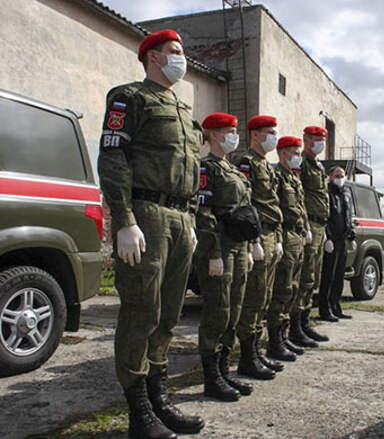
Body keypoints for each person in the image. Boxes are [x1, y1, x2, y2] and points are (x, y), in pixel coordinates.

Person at [98, 29, 204, 438]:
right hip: (146, 214)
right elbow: (113, 157)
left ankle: (159, 398)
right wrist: (123, 220)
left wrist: (192, 219)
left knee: (169, 314)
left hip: (179, 218)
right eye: (176, 52)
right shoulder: (130, 97)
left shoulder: (181, 109)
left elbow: (191, 172)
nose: (183, 59)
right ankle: (138, 411)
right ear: (153, 57)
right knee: (141, 312)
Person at [195, 112, 255, 402]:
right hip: (219, 245)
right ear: (215, 135)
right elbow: (204, 213)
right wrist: (213, 252)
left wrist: (250, 246)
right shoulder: (207, 168)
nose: (235, 135)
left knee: (234, 309)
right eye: (230, 131)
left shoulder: (230, 168)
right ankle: (211, 378)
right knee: (218, 311)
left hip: (239, 246)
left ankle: (224, 369)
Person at [235, 115, 284, 379]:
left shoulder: (267, 166)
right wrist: (253, 241)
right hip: (256, 236)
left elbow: (273, 206)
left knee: (264, 297)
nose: (273, 138)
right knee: (252, 299)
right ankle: (247, 358)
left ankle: (256, 352)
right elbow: (246, 203)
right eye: (270, 133)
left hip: (270, 236)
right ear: (255, 134)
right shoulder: (246, 163)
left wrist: (276, 238)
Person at [266, 136, 309, 361]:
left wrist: (306, 230)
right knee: (282, 289)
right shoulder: (278, 176)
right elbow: (275, 209)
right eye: (295, 152)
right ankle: (275, 341)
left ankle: (284, 336)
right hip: (285, 233)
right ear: (283, 153)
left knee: (292, 287)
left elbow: (301, 208)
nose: (298, 157)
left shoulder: (294, 178)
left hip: (298, 235)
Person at [293, 126, 331, 345]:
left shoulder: (318, 166)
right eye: (316, 139)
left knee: (313, 279)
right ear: (306, 140)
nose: (320, 143)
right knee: (304, 277)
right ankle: (296, 327)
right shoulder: (302, 164)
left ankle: (305, 323)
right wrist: (305, 226)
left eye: (322, 140)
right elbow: (298, 198)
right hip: (308, 227)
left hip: (319, 227)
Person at [318, 166, 356, 321]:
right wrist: (327, 237)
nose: (340, 178)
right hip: (331, 240)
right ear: (330, 176)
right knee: (328, 276)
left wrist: (351, 237)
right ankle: (325, 310)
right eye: (337, 175)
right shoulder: (326, 192)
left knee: (339, 276)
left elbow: (348, 216)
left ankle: (336, 306)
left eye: (342, 175)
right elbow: (324, 216)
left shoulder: (346, 192)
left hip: (342, 240)